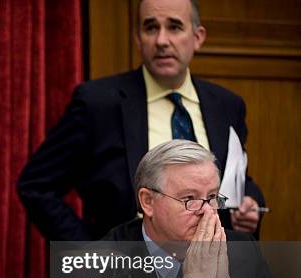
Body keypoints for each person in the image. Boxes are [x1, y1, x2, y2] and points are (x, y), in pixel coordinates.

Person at [17, 0, 263, 241]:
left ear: (198, 37)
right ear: (138, 38)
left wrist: (250, 203)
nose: (161, 41)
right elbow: (37, 185)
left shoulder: (227, 106)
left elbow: (237, 177)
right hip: (128, 271)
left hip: (213, 266)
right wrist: (89, 255)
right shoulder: (97, 104)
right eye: (151, 27)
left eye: (174, 27)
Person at [101, 140, 300, 278]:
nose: (207, 211)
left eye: (212, 196)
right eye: (189, 199)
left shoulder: (241, 248)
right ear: (148, 201)